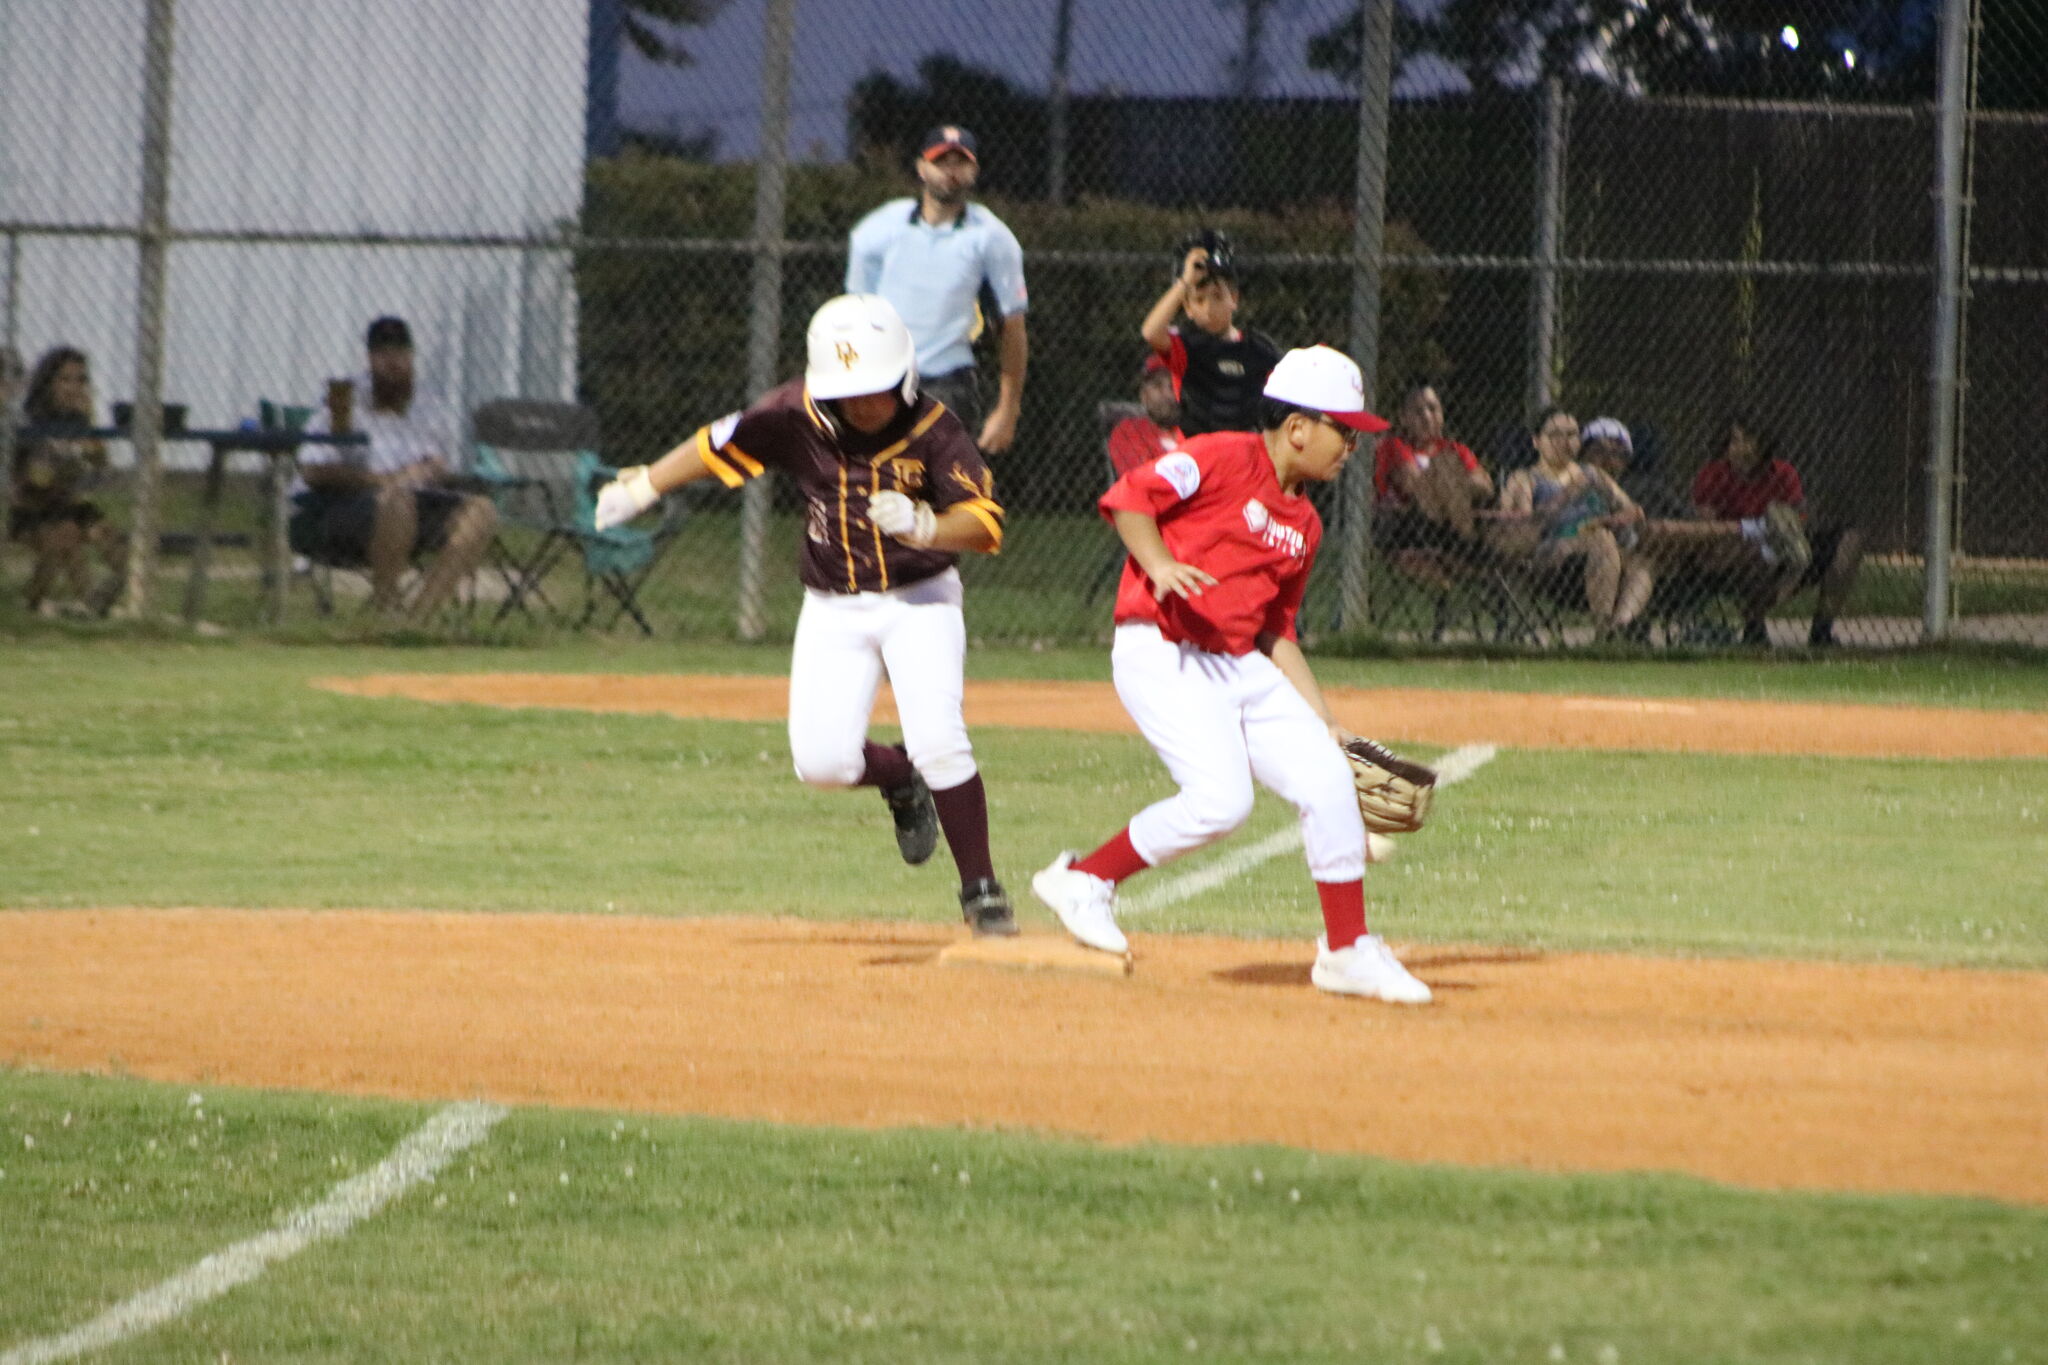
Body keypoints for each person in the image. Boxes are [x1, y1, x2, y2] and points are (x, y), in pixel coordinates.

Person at [591, 293, 1016, 937]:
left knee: (940, 737)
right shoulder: (798, 413)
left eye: (875, 388)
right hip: (833, 605)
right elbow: (717, 444)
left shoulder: (936, 430)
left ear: (904, 376)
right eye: (848, 390)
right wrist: (644, 485)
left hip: (920, 600)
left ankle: (982, 891)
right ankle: (902, 781)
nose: (862, 403)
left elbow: (985, 526)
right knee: (821, 764)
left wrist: (928, 524)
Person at [1029, 345, 1433, 1004]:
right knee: (1221, 803)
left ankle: (1347, 950)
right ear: (1297, 427)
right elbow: (1131, 498)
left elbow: (1277, 632)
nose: (1351, 447)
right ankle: (1084, 880)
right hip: (1161, 649)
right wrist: (1158, 565)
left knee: (1328, 777)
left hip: (1237, 661)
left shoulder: (1305, 523)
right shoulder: (1221, 456)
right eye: (1344, 430)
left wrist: (1322, 719)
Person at [287, 316, 497, 620]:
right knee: (397, 501)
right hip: (339, 509)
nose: (394, 363)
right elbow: (314, 470)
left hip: (415, 503)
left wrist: (431, 471)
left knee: (481, 511)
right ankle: (385, 610)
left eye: (401, 354)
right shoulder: (343, 402)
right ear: (370, 359)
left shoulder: (429, 405)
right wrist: (384, 481)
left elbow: (436, 464)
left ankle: (419, 619)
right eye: (384, 355)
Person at [845, 125, 1028, 454]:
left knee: (937, 499)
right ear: (921, 168)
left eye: (961, 163)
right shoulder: (876, 231)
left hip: (949, 386)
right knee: (871, 495)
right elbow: (854, 315)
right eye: (941, 162)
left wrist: (1007, 410)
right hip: (881, 382)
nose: (951, 171)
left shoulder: (992, 237)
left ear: (974, 171)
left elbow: (1012, 326)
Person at [1688, 417, 1864, 647]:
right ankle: (1754, 628)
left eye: (1745, 440)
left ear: (1762, 445)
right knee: (1748, 552)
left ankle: (1822, 630)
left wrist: (1789, 526)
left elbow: (1800, 517)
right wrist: (1750, 529)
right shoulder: (1713, 474)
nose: (1736, 447)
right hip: (1737, 552)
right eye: (1734, 441)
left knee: (1850, 541)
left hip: (1783, 547)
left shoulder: (1783, 473)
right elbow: (1705, 526)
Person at [1495, 406, 1654, 636]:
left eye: (1572, 434)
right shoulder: (1525, 478)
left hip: (1605, 551)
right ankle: (1602, 627)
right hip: (1554, 556)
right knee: (1600, 540)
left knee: (1642, 567)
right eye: (1556, 435)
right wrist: (1567, 495)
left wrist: (1610, 519)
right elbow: (1519, 529)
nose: (1566, 441)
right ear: (1537, 442)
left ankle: (1616, 629)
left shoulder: (1593, 474)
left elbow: (1634, 511)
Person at [9, 346, 128, 617]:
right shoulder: (30, 421)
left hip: (70, 504)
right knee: (65, 535)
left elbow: (100, 466)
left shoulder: (79, 422)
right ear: (48, 383)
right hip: (33, 508)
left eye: (81, 380)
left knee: (117, 548)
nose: (73, 387)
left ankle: (96, 605)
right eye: (64, 380)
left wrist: (90, 425)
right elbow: (35, 482)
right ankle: (33, 605)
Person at [1140, 228, 1282, 437]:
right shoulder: (1187, 346)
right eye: (1199, 300)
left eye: (1217, 296)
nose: (1208, 308)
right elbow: (1150, 332)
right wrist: (1185, 281)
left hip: (1245, 457)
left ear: (1234, 298)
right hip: (1196, 457)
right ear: (1187, 307)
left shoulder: (1260, 349)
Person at [1372, 380, 1495, 591]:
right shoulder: (1394, 446)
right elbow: (1414, 487)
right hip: (1410, 523)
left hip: (1449, 523)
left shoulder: (1456, 449)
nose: (1427, 417)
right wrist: (1450, 476)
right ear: (1404, 418)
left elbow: (1486, 486)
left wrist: (1445, 479)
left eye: (1433, 408)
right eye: (1418, 411)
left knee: (1446, 463)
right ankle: (1469, 544)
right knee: (1444, 464)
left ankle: (1465, 543)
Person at [1105, 353, 1184, 479]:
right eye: (1157, 385)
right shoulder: (1129, 431)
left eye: (1172, 384)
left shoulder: (1199, 429)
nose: (1168, 394)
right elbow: (1144, 480)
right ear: (1143, 394)